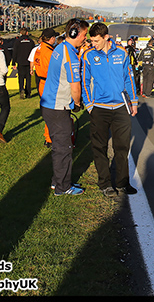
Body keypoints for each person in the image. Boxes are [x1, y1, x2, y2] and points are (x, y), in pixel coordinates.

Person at [81, 22, 139, 198]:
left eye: (96, 40)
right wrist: (89, 105)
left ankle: (122, 183)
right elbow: (84, 81)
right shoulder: (88, 55)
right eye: (91, 40)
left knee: (121, 148)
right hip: (99, 108)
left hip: (121, 107)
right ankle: (105, 184)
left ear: (106, 37)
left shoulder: (121, 53)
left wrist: (133, 102)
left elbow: (128, 77)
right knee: (100, 148)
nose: (93, 44)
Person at [40, 18, 89, 196]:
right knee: (64, 148)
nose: (85, 38)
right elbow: (75, 86)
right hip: (58, 106)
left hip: (50, 104)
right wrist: (77, 103)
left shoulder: (60, 48)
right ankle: (63, 187)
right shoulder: (70, 54)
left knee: (59, 147)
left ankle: (57, 181)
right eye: (84, 34)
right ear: (75, 33)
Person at [33, 28, 58, 148]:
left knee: (48, 110)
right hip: (49, 82)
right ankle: (50, 138)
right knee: (52, 112)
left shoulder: (39, 48)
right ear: (51, 38)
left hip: (42, 81)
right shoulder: (49, 52)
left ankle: (48, 137)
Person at [12, 27, 36, 99]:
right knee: (28, 78)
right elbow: (33, 52)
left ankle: (21, 89)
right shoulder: (31, 41)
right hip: (28, 62)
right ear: (27, 33)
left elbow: (15, 52)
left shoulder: (18, 41)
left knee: (21, 78)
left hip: (20, 62)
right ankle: (28, 93)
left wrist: (13, 62)